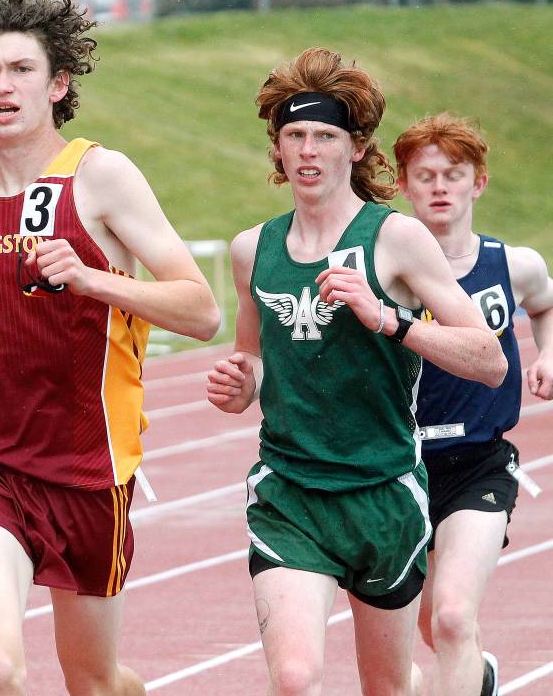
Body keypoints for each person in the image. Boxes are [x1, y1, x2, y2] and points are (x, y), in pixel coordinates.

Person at [0, 0, 219, 695]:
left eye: (21, 70)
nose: (2, 86)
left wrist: (93, 279)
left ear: (58, 84)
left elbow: (202, 312)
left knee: (93, 680)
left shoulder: (102, 177)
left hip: (87, 468)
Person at [206, 47, 507, 695]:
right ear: (277, 149)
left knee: (387, 687)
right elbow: (252, 359)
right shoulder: (252, 249)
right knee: (294, 679)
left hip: (383, 493)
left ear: (357, 147)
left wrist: (390, 320)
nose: (308, 150)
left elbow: (489, 359)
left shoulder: (395, 239)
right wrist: (240, 385)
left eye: (325, 136)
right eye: (294, 135)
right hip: (291, 492)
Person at [393, 113, 553, 696]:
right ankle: (478, 676)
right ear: (404, 186)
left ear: (478, 183)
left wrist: (548, 353)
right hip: (399, 466)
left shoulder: (514, 265)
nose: (440, 187)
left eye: (453, 174)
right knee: (427, 627)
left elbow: (546, 304)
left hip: (480, 463)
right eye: (425, 175)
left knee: (454, 616)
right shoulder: (388, 274)